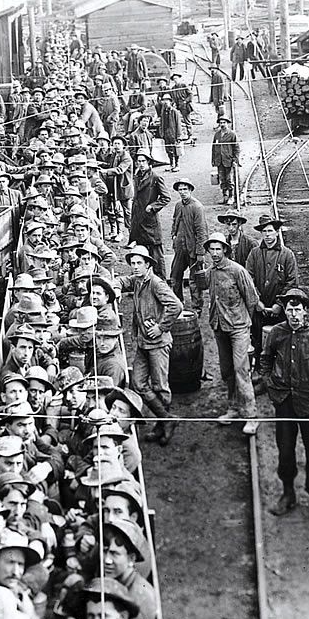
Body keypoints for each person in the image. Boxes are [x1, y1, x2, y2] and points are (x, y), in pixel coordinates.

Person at [261, 289, 309, 518]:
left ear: (305, 312)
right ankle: (288, 493)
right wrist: (270, 385)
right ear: (285, 311)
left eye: (298, 310)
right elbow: (265, 359)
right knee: (285, 450)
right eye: (290, 310)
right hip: (284, 402)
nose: (293, 314)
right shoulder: (277, 333)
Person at [117, 245, 182, 445]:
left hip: (158, 344)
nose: (135, 267)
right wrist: (117, 287)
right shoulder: (138, 281)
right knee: (137, 382)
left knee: (160, 387)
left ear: (147, 265)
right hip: (143, 343)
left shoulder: (155, 283)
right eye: (133, 263)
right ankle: (167, 420)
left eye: (139, 263)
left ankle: (163, 425)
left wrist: (161, 327)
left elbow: (176, 305)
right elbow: (121, 280)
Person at [204, 232, 260, 435]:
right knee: (227, 370)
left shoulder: (238, 271)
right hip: (219, 327)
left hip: (238, 328)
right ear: (208, 251)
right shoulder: (210, 272)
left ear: (225, 250)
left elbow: (252, 299)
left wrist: (246, 324)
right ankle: (234, 408)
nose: (216, 253)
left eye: (219, 249)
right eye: (212, 249)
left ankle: (251, 415)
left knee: (241, 370)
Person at [245, 214, 299, 370]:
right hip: (259, 308)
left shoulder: (287, 254)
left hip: (279, 310)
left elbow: (292, 282)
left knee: (280, 341)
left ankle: (279, 374)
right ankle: (260, 372)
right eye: (264, 232)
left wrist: (279, 304)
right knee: (257, 339)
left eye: (270, 231)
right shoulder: (255, 254)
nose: (267, 235)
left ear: (277, 232)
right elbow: (248, 279)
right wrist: (257, 301)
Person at [128, 150, 170, 279]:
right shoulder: (137, 176)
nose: (140, 164)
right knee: (140, 253)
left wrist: (152, 207)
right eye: (138, 161)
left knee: (156, 255)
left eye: (143, 161)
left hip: (150, 221)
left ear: (148, 162)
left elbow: (166, 197)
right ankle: (141, 282)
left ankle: (161, 283)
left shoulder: (155, 177)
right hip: (138, 220)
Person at [170, 179, 209, 314]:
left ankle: (196, 308)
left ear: (190, 190)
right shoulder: (178, 205)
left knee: (194, 281)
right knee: (175, 277)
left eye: (185, 189)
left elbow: (201, 231)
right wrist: (174, 237)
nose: (182, 192)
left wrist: (200, 253)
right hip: (180, 249)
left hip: (193, 249)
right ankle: (177, 304)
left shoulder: (197, 207)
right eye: (180, 189)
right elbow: (175, 221)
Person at [99, 135, 133, 242]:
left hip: (123, 189)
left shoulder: (126, 157)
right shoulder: (114, 155)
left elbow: (119, 169)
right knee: (112, 210)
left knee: (127, 213)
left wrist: (105, 171)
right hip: (113, 188)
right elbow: (110, 165)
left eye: (119, 144)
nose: (116, 146)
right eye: (115, 144)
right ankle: (115, 232)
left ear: (123, 145)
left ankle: (131, 236)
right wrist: (100, 165)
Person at [211, 114, 240, 205]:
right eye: (221, 123)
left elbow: (237, 148)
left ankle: (231, 197)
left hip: (228, 161)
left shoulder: (232, 134)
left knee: (229, 179)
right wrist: (213, 160)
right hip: (219, 161)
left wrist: (235, 160)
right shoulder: (217, 135)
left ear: (227, 124)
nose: (222, 124)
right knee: (222, 179)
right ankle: (224, 196)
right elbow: (214, 148)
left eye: (224, 122)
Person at [157, 94, 183, 172]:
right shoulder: (163, 111)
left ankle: (177, 164)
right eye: (164, 100)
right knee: (168, 149)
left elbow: (178, 124)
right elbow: (161, 123)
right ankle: (171, 164)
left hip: (173, 133)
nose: (165, 102)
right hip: (166, 133)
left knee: (176, 149)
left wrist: (179, 136)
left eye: (167, 100)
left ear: (170, 102)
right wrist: (161, 132)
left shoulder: (175, 112)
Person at [169, 73, 194, 141]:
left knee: (187, 121)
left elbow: (191, 94)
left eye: (176, 78)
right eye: (174, 79)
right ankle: (180, 135)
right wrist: (173, 104)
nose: (175, 80)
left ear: (179, 79)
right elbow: (173, 98)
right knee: (177, 121)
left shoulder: (184, 85)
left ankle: (190, 135)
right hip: (178, 106)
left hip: (185, 106)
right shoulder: (173, 88)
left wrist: (186, 101)